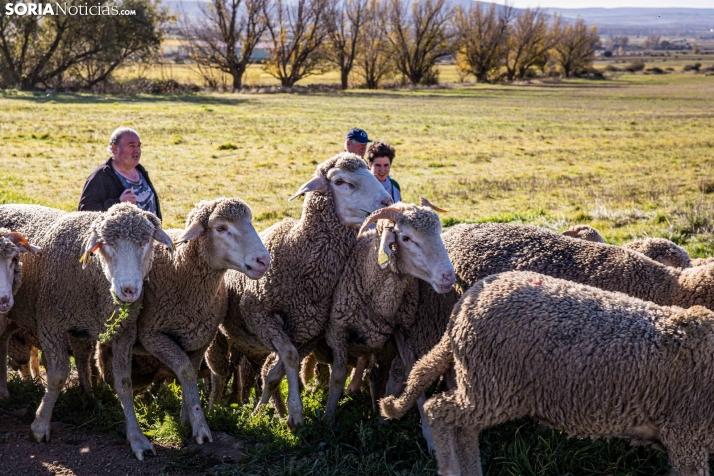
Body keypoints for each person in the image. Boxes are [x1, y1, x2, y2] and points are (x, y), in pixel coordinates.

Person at [79, 127, 162, 220]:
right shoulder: (101, 176)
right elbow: (84, 212)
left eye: (139, 145)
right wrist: (118, 203)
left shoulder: (141, 171)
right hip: (120, 234)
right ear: (115, 148)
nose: (137, 150)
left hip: (152, 234)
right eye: (131, 146)